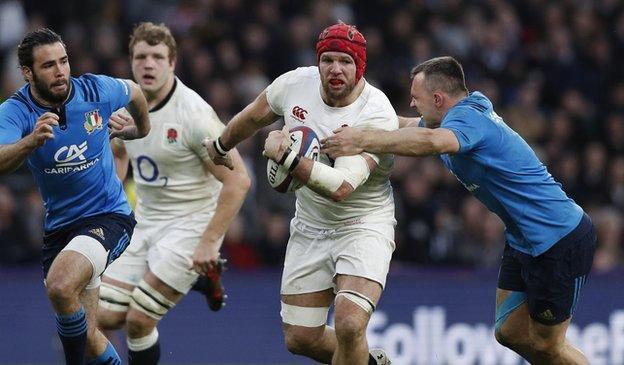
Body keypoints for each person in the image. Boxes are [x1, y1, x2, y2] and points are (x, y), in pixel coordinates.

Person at [322, 56, 597, 365]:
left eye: (416, 97)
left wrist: (363, 140)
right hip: (524, 240)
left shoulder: (466, 121)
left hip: (558, 238)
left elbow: (432, 142)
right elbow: (407, 125)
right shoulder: (453, 116)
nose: (412, 104)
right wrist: (353, 120)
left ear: (438, 98)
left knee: (548, 345)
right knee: (510, 331)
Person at [205, 22, 394, 365]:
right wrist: (221, 144)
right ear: (318, 62)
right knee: (300, 339)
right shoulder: (295, 84)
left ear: (359, 67)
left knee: (350, 324)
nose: (336, 69)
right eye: (328, 60)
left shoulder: (375, 112)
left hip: (363, 223)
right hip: (309, 225)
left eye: (346, 62)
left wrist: (285, 155)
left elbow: (341, 187)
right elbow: (255, 115)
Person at [96, 22, 250, 365]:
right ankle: (200, 279)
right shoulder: (125, 106)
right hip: (146, 223)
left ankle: (203, 268)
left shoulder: (194, 116)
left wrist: (209, 242)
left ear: (173, 63)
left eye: (157, 57)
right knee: (103, 317)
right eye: (141, 56)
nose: (148, 64)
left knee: (138, 321)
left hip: (191, 226)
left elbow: (238, 180)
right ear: (131, 61)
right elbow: (121, 154)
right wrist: (108, 204)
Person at [0, 28, 151, 365]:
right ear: (28, 73)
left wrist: (140, 129)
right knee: (90, 335)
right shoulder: (16, 111)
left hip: (109, 218)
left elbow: (136, 92)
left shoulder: (96, 90)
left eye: (64, 62)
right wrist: (29, 142)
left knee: (60, 286)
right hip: (61, 231)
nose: (60, 72)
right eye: (49, 65)